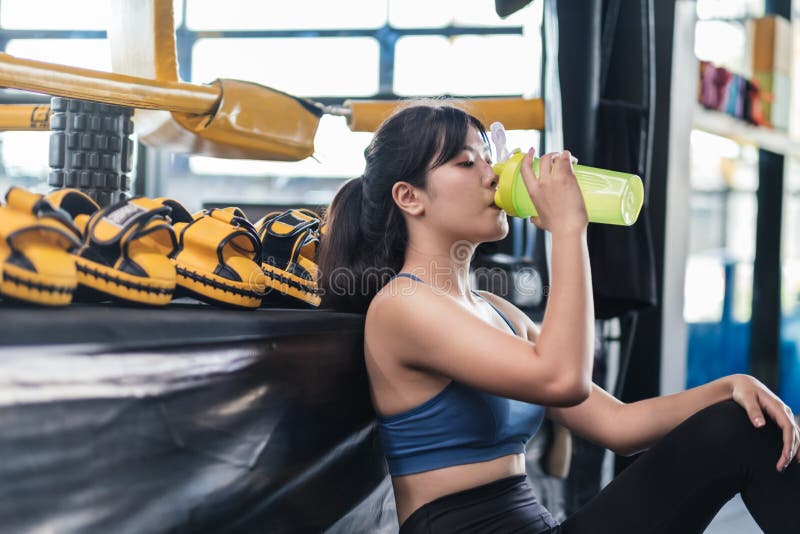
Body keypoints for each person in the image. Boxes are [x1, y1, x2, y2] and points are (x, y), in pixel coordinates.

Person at [317, 101, 800, 533]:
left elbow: (618, 425)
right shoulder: (403, 306)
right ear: (410, 197)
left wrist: (730, 386)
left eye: (489, 158)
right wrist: (568, 230)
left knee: (751, 424)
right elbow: (563, 379)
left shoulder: (496, 311)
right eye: (467, 162)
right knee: (741, 433)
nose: (491, 175)